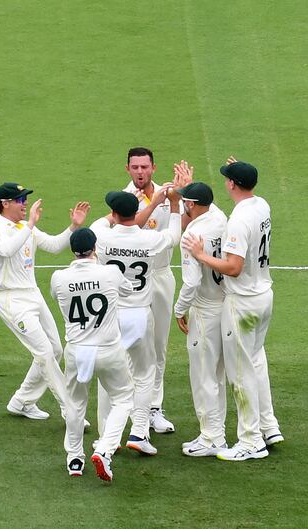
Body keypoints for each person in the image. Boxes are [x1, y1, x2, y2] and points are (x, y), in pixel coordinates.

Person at [182, 158, 283, 461]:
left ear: (232, 184)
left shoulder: (238, 220)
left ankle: (251, 442)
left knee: (239, 374)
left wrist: (201, 255)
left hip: (242, 303)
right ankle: (268, 426)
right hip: (264, 294)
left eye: (228, 177)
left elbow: (234, 267)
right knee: (254, 361)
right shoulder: (261, 205)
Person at [0, 182, 89, 424]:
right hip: (12, 299)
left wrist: (73, 227)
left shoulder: (24, 227)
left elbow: (54, 246)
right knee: (44, 353)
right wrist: (30, 224)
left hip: (33, 294)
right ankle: (70, 410)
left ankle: (22, 401)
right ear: (5, 204)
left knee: (55, 349)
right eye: (20, 199)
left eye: (25, 199)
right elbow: (8, 250)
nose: (25, 203)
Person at [90, 189, 181, 456]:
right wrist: (173, 204)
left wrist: (131, 210)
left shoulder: (102, 235)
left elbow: (102, 222)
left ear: (116, 213)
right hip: (140, 314)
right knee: (144, 374)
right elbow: (174, 236)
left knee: (108, 374)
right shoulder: (149, 239)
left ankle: (107, 437)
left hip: (111, 315)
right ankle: (139, 432)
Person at [50, 227, 134, 482]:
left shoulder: (58, 277)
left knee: (75, 404)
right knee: (123, 398)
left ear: (73, 251)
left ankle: (74, 458)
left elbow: (58, 296)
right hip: (108, 349)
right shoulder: (110, 272)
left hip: (77, 351)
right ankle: (105, 448)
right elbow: (128, 291)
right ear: (95, 248)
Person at [172, 182, 229, 457]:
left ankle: (211, 438)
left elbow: (191, 282)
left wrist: (179, 309)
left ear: (191, 205)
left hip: (204, 311)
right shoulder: (220, 218)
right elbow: (211, 206)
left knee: (203, 375)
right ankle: (217, 433)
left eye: (185, 200)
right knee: (217, 374)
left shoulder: (191, 234)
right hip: (226, 306)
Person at [123, 147, 177, 434]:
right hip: (133, 282)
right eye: (135, 167)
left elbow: (189, 222)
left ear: (154, 168)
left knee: (159, 345)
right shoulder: (124, 199)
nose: (140, 172)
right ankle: (131, 407)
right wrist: (155, 202)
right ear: (128, 169)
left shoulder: (170, 196)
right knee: (134, 345)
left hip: (161, 275)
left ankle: (154, 408)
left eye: (145, 167)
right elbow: (133, 228)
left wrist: (180, 195)